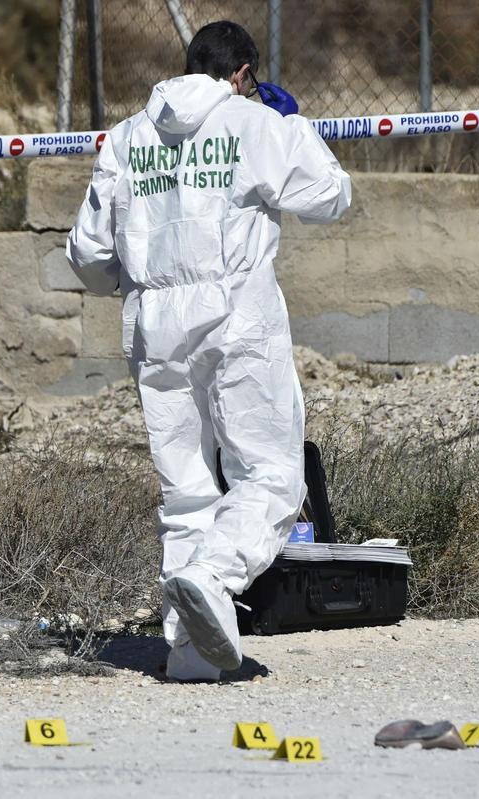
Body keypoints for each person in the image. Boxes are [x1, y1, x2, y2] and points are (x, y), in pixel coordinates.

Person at [66, 21, 351, 680]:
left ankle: (191, 654)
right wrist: (294, 126)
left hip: (152, 320)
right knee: (272, 477)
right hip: (236, 315)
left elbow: (85, 251)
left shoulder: (128, 136)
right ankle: (214, 577)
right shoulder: (252, 126)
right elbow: (331, 196)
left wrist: (134, 278)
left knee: (187, 490)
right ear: (244, 73)